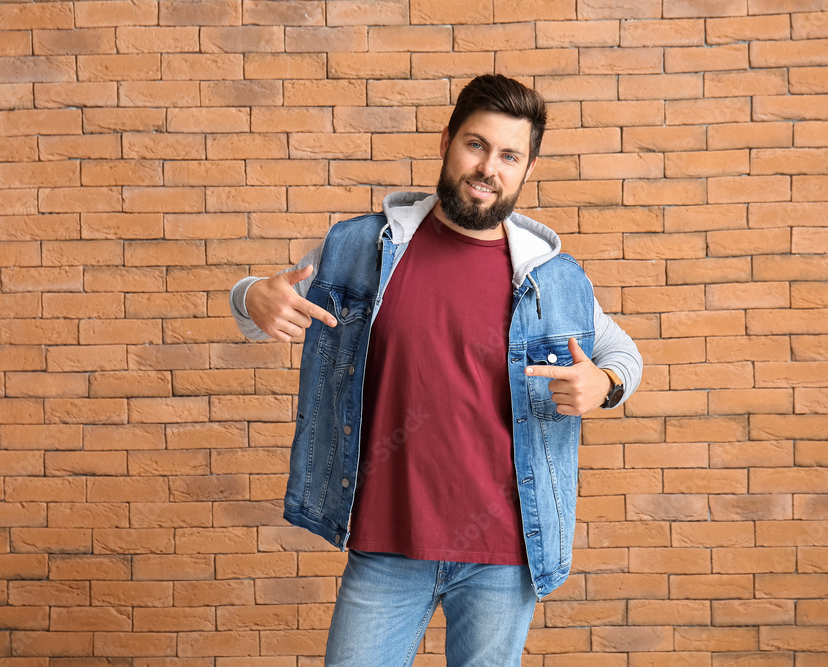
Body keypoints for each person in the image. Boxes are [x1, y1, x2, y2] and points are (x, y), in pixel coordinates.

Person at [230, 74, 643, 666]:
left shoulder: (550, 278)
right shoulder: (364, 249)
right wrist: (251, 297)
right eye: (476, 145)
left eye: (508, 156)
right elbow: (263, 301)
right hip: (387, 544)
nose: (487, 168)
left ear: (527, 168)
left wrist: (604, 384)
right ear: (447, 140)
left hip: (504, 555)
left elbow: (623, 355)